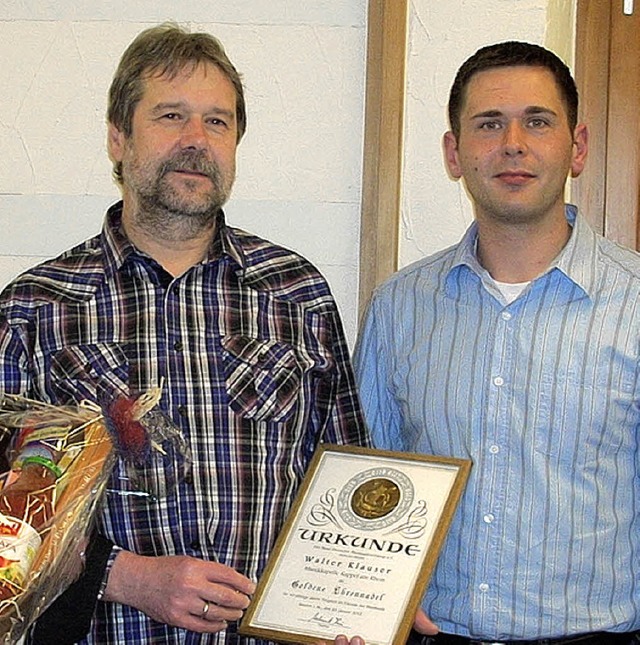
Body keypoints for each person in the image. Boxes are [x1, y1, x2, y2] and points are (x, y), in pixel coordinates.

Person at [0, 23, 369, 644]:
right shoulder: (35, 309)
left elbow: (346, 481)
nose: (197, 140)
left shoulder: (295, 293)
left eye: (218, 122)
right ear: (119, 139)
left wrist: (359, 607)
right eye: (171, 116)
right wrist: (125, 576)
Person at [353, 40, 640, 645]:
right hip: (434, 637)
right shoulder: (399, 307)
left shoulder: (636, 304)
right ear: (454, 153)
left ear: (577, 146)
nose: (513, 143)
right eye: (489, 124)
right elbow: (367, 473)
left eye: (537, 121)